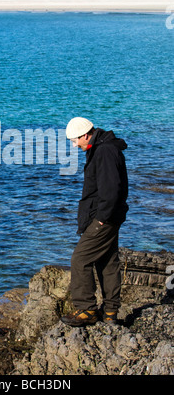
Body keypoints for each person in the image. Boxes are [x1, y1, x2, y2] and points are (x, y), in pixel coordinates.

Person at [61, 117, 129, 326]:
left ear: (85, 135)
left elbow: (111, 190)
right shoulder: (100, 148)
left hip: (104, 218)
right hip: (109, 216)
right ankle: (110, 313)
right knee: (107, 262)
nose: (74, 145)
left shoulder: (104, 151)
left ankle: (86, 309)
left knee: (80, 259)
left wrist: (100, 220)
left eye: (75, 140)